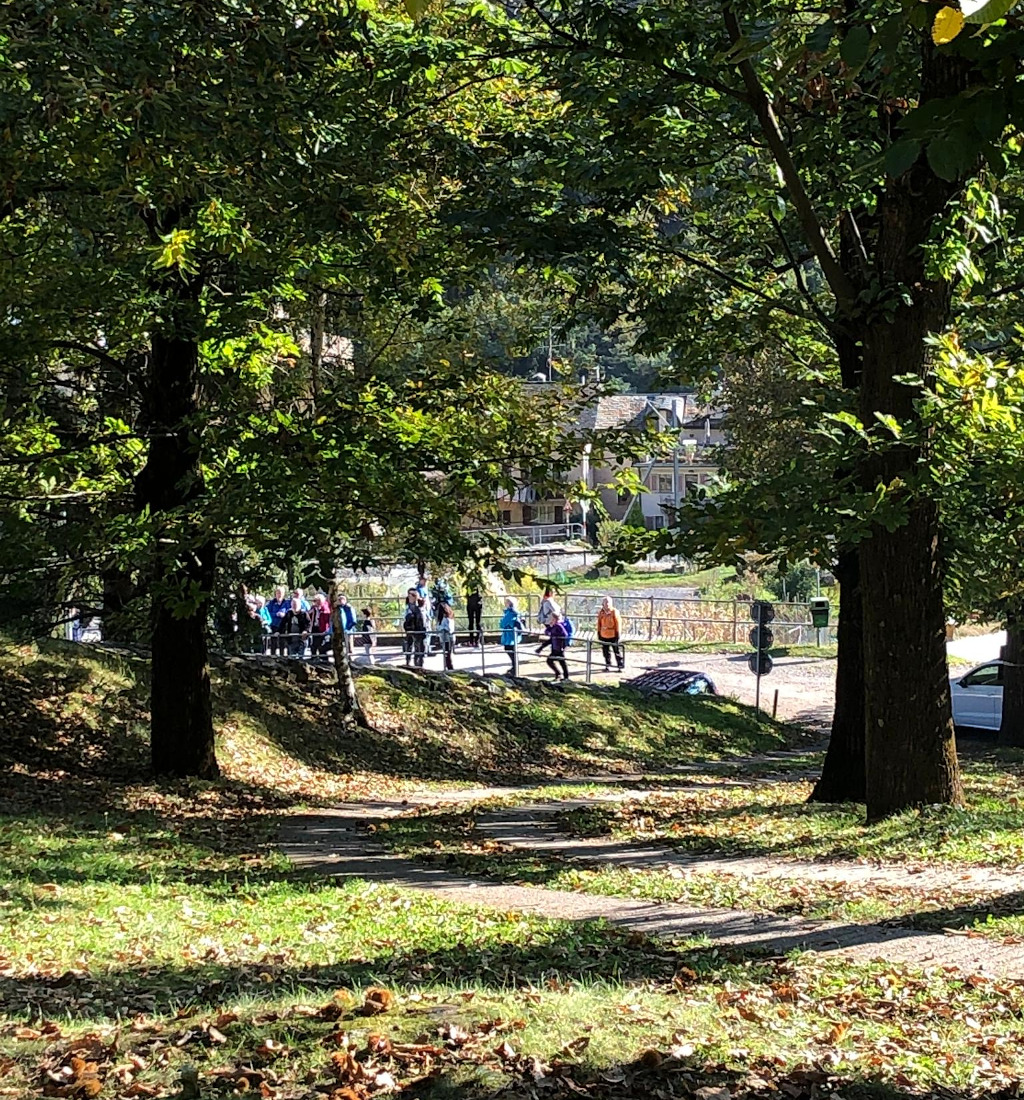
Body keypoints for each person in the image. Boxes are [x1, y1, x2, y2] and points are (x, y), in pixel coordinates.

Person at [597, 595, 625, 672]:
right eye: (605, 602)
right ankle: (608, 665)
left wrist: (618, 633)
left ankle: (620, 665)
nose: (606, 604)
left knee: (616, 651)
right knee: (606, 652)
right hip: (604, 634)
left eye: (608, 602)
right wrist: (599, 632)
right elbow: (599, 623)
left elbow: (618, 623)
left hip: (613, 634)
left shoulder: (614, 612)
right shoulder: (601, 612)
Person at [499, 597, 524, 674]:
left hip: (509, 635)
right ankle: (514, 667)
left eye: (506, 602)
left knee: (509, 649)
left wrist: (501, 621)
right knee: (512, 650)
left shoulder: (509, 613)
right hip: (514, 634)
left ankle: (514, 668)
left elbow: (502, 624)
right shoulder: (516, 613)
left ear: (509, 603)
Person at [266, 586, 291, 655]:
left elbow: (290, 612)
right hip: (274, 625)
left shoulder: (287, 603)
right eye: (278, 593)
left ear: (284, 594)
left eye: (281, 593)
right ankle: (273, 656)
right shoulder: (271, 603)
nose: (279, 595)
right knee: (273, 642)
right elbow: (267, 613)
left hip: (283, 625)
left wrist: (284, 615)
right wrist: (276, 614)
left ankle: (282, 657)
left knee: (282, 642)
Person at [404, 595, 427, 669]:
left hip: (411, 630)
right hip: (417, 630)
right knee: (418, 647)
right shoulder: (418, 610)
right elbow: (421, 621)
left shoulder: (408, 609)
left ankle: (410, 662)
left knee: (410, 646)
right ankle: (417, 663)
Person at [535, 587, 561, 653]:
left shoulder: (545, 600)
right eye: (553, 592)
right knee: (554, 637)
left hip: (547, 621)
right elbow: (555, 610)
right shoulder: (549, 601)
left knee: (554, 636)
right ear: (550, 592)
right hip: (551, 621)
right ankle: (543, 649)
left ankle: (542, 649)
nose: (554, 593)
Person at [546, 611, 570, 681]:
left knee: (561, 662)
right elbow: (547, 632)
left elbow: (565, 634)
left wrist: (557, 636)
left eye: (552, 618)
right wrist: (549, 629)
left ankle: (564, 676)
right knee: (552, 661)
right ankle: (559, 674)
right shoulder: (553, 626)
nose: (550, 620)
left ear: (555, 619)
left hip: (559, 647)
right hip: (555, 647)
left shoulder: (559, 625)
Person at [437, 604, 456, 671]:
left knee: (447, 654)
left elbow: (448, 629)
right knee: (447, 654)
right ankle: (449, 666)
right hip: (447, 638)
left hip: (447, 639)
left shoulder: (445, 619)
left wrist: (441, 629)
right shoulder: (449, 618)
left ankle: (449, 667)